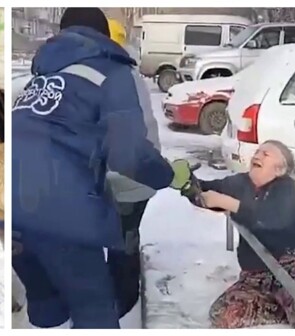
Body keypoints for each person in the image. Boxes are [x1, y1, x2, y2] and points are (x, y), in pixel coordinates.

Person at [12, 8, 174, 329]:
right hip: (61, 209)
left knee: (45, 302)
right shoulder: (113, 72)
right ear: (103, 35)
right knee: (93, 308)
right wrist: (167, 175)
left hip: (9, 205)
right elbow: (128, 154)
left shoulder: (41, 77)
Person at [171, 140, 295, 329]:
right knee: (223, 313)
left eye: (266, 154)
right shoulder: (239, 182)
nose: (258, 155)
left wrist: (229, 203)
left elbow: (269, 218)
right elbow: (206, 190)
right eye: (258, 151)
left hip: (291, 262)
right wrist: (189, 184)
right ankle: (280, 306)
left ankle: (292, 306)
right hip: (255, 273)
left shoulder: (285, 188)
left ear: (279, 169)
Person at [103, 17, 163, 318]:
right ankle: (121, 293)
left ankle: (123, 301)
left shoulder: (113, 74)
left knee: (122, 240)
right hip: (136, 176)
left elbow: (122, 136)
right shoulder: (126, 69)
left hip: (128, 177)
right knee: (124, 236)